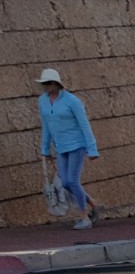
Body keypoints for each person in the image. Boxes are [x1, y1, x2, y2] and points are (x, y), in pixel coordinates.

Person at [37, 68, 100, 230]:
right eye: (44, 83)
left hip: (77, 145)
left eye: (49, 83)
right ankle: (93, 204)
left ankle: (85, 217)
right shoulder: (43, 101)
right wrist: (45, 148)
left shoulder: (72, 101)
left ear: (57, 83)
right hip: (60, 147)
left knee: (72, 180)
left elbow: (84, 124)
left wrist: (92, 149)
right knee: (65, 183)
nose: (46, 86)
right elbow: (46, 126)